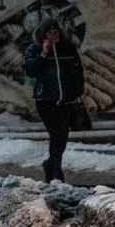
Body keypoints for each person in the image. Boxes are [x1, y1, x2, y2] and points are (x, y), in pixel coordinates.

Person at [21, 21, 86, 183]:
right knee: (56, 133)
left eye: (56, 33)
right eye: (49, 33)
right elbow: (31, 70)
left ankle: (50, 164)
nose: (53, 36)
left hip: (66, 100)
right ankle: (57, 170)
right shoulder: (34, 49)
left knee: (62, 136)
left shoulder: (68, 48)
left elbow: (78, 71)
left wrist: (78, 92)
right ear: (43, 35)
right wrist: (43, 54)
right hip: (46, 100)